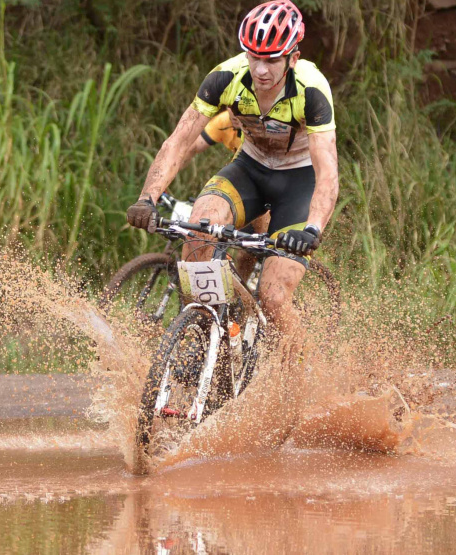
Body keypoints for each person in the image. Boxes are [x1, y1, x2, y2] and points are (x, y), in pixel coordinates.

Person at [127, 0, 339, 365]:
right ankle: (210, 332)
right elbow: (178, 142)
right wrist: (148, 197)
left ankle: (302, 378)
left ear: (293, 57)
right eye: (253, 56)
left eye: (272, 60)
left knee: (273, 297)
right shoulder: (226, 76)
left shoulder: (312, 89)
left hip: (298, 183)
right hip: (250, 170)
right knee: (200, 228)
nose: (260, 69)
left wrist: (313, 229)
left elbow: (327, 172)